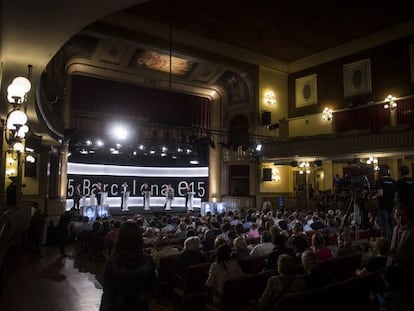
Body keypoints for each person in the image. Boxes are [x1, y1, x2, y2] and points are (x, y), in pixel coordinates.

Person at [100, 221, 156, 311]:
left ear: (120, 239)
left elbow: (108, 295)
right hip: (140, 306)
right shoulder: (149, 262)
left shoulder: (111, 265)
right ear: (139, 239)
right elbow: (151, 288)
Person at [371, 164, 396, 239]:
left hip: (382, 206)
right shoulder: (393, 181)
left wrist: (373, 197)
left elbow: (380, 194)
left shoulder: (380, 181)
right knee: (392, 224)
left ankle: (385, 242)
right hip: (392, 205)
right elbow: (395, 194)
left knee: (384, 225)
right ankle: (393, 241)